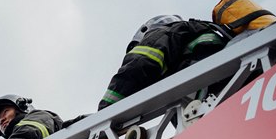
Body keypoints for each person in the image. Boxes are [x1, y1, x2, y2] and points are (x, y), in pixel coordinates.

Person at [98, 14, 229, 110]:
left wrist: (104, 111)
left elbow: (139, 64)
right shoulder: (190, 32)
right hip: (226, 87)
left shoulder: (162, 33)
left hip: (206, 87)